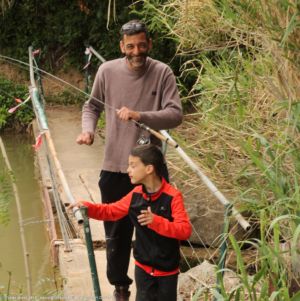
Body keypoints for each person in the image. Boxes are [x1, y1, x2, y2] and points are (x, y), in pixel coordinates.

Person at [76, 19, 183, 300]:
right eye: (130, 46)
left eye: (142, 44)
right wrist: (88, 130)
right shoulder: (106, 70)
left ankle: (158, 286)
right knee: (116, 235)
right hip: (114, 167)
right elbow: (92, 107)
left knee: (157, 230)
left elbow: (175, 114)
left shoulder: (163, 72)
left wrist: (140, 115)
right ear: (122, 46)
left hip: (150, 171)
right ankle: (120, 286)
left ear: (150, 44)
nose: (137, 51)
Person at [70, 144, 192, 301]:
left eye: (133, 166)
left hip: (168, 273)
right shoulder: (135, 195)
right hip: (143, 269)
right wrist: (87, 206)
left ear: (149, 169)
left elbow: (185, 230)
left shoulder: (173, 197)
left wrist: (157, 222)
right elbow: (111, 211)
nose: (128, 170)